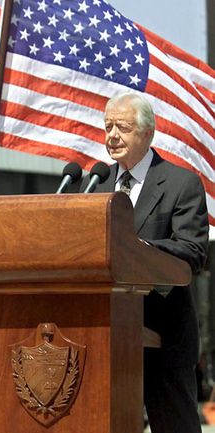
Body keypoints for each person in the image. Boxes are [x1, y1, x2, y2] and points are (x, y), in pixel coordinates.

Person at [90, 92, 209, 433]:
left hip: (162, 336)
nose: (112, 135)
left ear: (147, 133)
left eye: (122, 127)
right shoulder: (95, 186)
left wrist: (137, 248)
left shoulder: (180, 184)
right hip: (104, 334)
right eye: (108, 126)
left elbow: (192, 253)